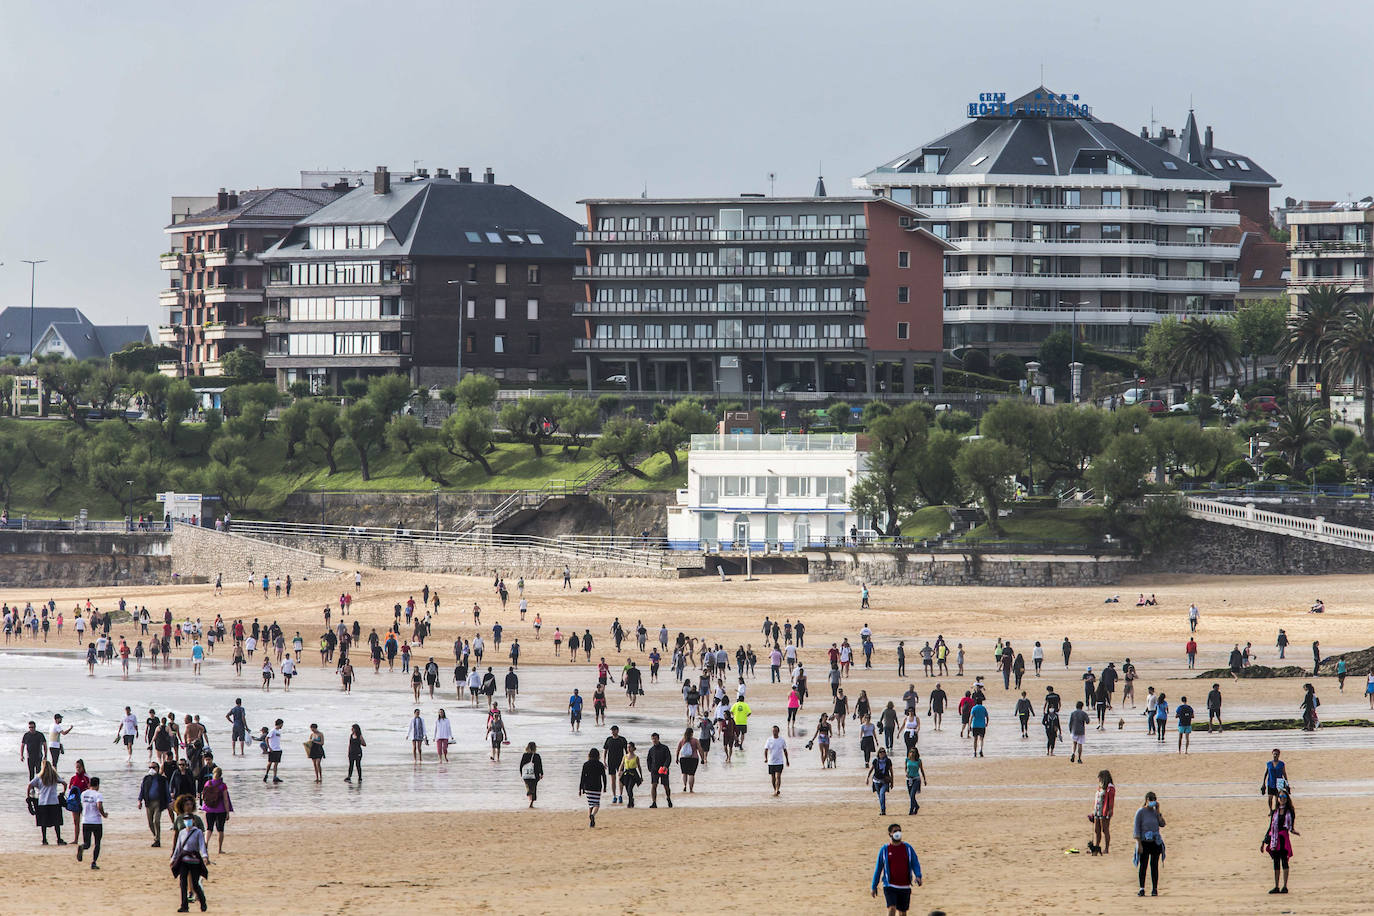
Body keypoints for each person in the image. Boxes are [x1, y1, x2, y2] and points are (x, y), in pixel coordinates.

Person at [870, 823, 922, 916]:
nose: (898, 833)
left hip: (905, 886)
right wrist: (874, 886)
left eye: (899, 831)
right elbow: (878, 869)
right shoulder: (885, 849)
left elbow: (915, 862)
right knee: (892, 908)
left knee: (902, 912)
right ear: (890, 834)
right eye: (895, 831)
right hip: (889, 885)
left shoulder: (908, 848)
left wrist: (918, 876)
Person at [169, 809, 210, 912]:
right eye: (186, 819)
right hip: (184, 860)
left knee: (195, 884)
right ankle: (184, 906)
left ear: (193, 820)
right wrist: (173, 859)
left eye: (189, 819)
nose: (187, 821)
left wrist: (205, 856)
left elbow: (201, 845)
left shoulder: (198, 832)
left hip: (194, 861)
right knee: (183, 884)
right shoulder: (182, 833)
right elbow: (178, 847)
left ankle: (203, 902)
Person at [1263, 790, 1298, 894]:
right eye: (1280, 796)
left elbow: (1291, 826)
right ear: (1277, 798)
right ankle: (1276, 886)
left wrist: (1293, 830)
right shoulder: (1275, 812)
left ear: (1287, 799)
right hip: (1274, 839)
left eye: (1284, 797)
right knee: (1276, 862)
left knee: (1284, 861)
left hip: (1283, 839)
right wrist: (1264, 840)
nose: (1282, 798)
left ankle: (1285, 886)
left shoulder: (1290, 811)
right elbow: (1270, 826)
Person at [27, 760, 68, 846]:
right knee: (56, 822)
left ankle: (44, 839)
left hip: (42, 802)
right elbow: (64, 783)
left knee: (43, 823)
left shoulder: (39, 777)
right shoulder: (54, 776)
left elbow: (30, 785)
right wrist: (63, 793)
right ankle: (59, 839)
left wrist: (29, 796)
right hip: (54, 801)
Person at [1132, 791, 1166, 896]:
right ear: (1147, 800)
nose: (1152, 802)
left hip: (1155, 842)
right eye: (1151, 800)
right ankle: (1142, 888)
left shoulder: (1155, 812)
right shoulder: (1140, 812)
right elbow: (1136, 829)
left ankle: (1154, 889)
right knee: (1143, 865)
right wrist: (1139, 844)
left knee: (1154, 865)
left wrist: (1158, 811)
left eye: (1154, 800)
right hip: (1144, 842)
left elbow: (1162, 823)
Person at [136, 761, 170, 847]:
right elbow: (142, 790)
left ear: (158, 769)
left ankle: (157, 839)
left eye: (154, 767)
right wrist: (139, 801)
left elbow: (167, 791)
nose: (152, 769)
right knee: (150, 823)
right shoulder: (146, 779)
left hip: (158, 802)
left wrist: (169, 802)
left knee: (156, 820)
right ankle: (156, 837)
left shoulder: (162, 779)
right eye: (150, 768)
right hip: (148, 803)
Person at [76, 776, 106, 869]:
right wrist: (104, 814)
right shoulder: (98, 795)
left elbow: (81, 806)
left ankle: (82, 847)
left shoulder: (83, 794)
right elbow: (99, 806)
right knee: (97, 843)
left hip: (85, 821)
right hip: (96, 821)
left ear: (89, 784)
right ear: (98, 785)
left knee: (87, 844)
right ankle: (94, 862)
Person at [200, 767, 232, 854]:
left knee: (209, 828)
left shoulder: (207, 783)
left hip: (209, 809)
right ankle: (220, 849)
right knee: (220, 829)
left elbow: (203, 797)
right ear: (221, 774)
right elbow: (225, 800)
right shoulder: (223, 785)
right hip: (220, 810)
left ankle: (206, 843)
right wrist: (228, 812)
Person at [579, 748, 607, 827]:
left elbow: (582, 777)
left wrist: (580, 788)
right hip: (597, 786)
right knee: (596, 804)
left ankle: (591, 820)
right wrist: (605, 786)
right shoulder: (600, 764)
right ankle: (593, 815)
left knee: (591, 804)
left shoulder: (586, 764)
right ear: (598, 756)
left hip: (587, 787)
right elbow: (604, 776)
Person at [1090, 769, 1115, 856]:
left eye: (1100, 777)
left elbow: (1111, 800)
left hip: (1104, 810)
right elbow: (1097, 799)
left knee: (1105, 829)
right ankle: (1096, 846)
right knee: (1097, 830)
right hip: (1097, 810)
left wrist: (1110, 810)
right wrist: (1093, 811)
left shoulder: (1110, 787)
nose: (1099, 779)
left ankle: (1106, 848)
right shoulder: (1100, 786)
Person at [645, 732, 673, 808]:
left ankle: (668, 798)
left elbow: (668, 758)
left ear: (658, 739)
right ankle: (654, 802)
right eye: (653, 739)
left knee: (666, 786)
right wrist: (650, 768)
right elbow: (648, 760)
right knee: (654, 785)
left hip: (664, 769)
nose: (654, 740)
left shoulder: (665, 748)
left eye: (655, 739)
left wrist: (665, 766)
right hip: (654, 770)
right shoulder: (651, 749)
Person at [764, 724, 789, 797]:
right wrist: (765, 758)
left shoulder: (782, 740)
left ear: (778, 732)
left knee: (778, 776)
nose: (774, 732)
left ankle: (777, 789)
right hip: (771, 761)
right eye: (773, 731)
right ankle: (775, 789)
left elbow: (785, 750)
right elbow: (766, 750)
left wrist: (787, 760)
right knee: (773, 777)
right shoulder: (769, 740)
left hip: (779, 761)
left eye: (775, 731)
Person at [676, 727, 702, 793]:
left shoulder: (682, 740)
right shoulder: (695, 740)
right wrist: (702, 758)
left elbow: (678, 750)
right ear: (692, 733)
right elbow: (700, 749)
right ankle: (691, 789)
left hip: (683, 758)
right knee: (691, 774)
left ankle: (684, 786)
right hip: (693, 759)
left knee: (684, 773)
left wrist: (676, 758)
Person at [903, 746, 927, 815]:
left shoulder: (918, 761)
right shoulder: (907, 760)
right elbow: (905, 768)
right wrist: (906, 773)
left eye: (913, 752)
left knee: (912, 794)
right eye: (911, 752)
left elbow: (922, 770)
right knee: (911, 795)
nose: (912, 753)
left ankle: (911, 810)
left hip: (916, 779)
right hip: (909, 779)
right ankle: (916, 806)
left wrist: (924, 779)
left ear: (916, 753)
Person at [520, 742, 544, 808]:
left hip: (526, 773)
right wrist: (541, 773)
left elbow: (521, 765)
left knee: (528, 785)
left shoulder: (525, 755)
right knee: (534, 787)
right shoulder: (537, 756)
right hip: (535, 774)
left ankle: (529, 792)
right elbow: (540, 765)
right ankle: (531, 802)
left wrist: (521, 773)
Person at [263, 719, 284, 783]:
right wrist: (269, 747)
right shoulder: (273, 731)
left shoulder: (279, 731)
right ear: (279, 724)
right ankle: (266, 774)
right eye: (282, 724)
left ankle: (275, 776)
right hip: (272, 749)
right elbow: (266, 738)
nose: (282, 726)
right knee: (270, 762)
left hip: (278, 749)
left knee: (276, 763)